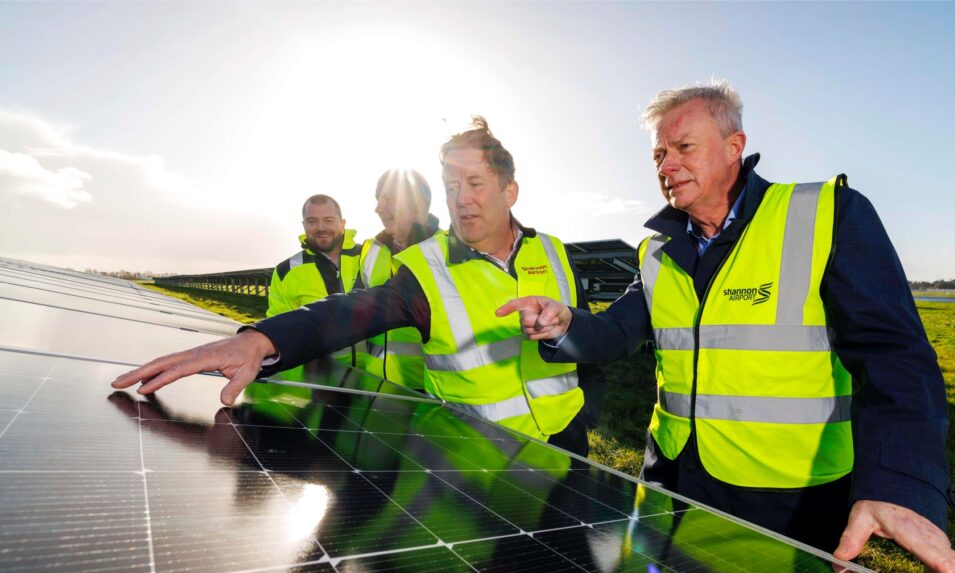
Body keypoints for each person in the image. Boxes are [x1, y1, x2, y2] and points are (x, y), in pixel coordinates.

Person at [497, 81, 955, 573]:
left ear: (733, 146)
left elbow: (898, 357)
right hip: (671, 479)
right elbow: (618, 332)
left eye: (684, 147)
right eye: (659, 153)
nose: (667, 164)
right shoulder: (657, 250)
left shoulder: (826, 215)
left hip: (787, 499)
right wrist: (566, 327)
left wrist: (903, 487)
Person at [112, 117, 602, 457]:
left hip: (565, 442)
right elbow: (347, 313)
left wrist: (587, 415)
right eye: (451, 186)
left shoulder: (555, 253)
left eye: (474, 183)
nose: (461, 200)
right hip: (474, 451)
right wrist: (260, 340)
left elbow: (588, 338)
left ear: (509, 190)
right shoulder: (424, 267)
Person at [359, 169, 441, 390]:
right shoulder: (370, 250)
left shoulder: (448, 253)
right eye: (378, 199)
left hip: (433, 395)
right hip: (378, 390)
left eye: (387, 199)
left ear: (417, 203)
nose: (378, 208)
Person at [266, 193, 363, 364]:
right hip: (317, 380)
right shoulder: (286, 271)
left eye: (328, 220)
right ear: (304, 225)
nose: (321, 228)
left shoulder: (370, 258)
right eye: (312, 221)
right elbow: (278, 331)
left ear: (342, 224)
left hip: (379, 381)